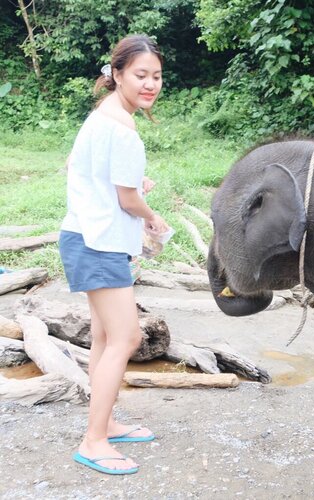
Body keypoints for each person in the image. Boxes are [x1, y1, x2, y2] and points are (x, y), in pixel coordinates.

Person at [59, 34, 168, 475]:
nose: (150, 85)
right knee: (127, 338)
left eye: (157, 76)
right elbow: (126, 200)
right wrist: (152, 216)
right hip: (98, 242)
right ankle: (94, 441)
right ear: (117, 73)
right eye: (141, 75)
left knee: (105, 338)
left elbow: (75, 167)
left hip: (87, 236)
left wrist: (131, 189)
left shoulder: (104, 116)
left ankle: (105, 423)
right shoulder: (122, 128)